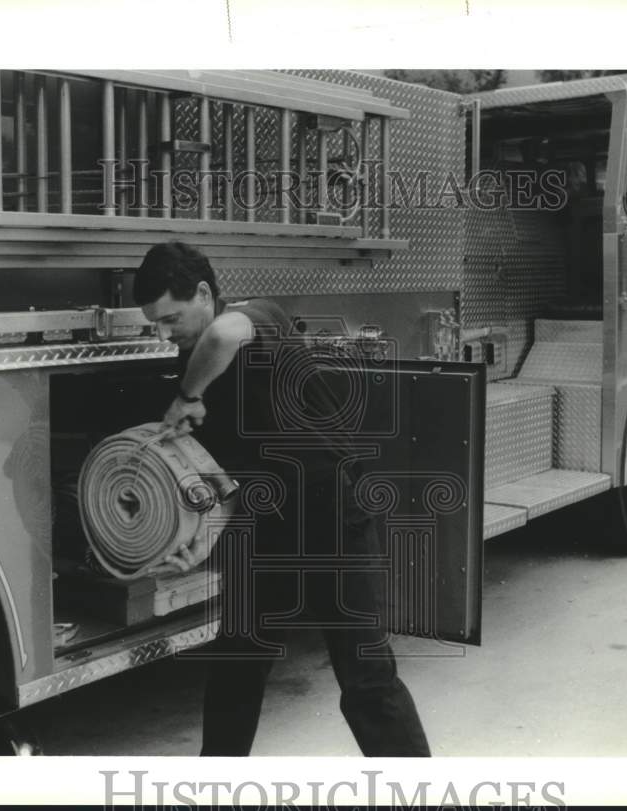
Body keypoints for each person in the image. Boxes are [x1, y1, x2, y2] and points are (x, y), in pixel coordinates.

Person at [133, 241, 430, 757]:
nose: (166, 333)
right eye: (156, 324)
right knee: (237, 663)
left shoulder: (255, 317)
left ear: (204, 293)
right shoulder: (198, 363)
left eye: (172, 318)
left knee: (365, 678)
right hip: (268, 521)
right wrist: (193, 541)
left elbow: (223, 335)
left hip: (333, 509)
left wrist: (186, 396)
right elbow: (223, 480)